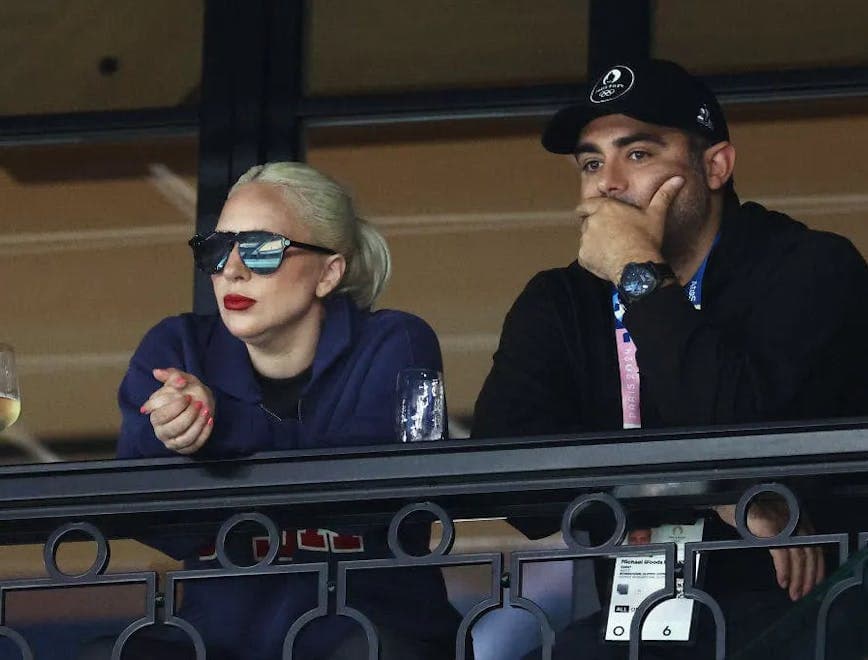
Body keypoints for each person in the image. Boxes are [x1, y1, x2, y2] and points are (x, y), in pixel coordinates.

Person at [472, 59, 868, 658]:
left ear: (715, 166)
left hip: (797, 615)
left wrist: (637, 274)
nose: (607, 182)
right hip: (632, 620)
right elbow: (511, 483)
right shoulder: (558, 300)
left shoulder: (812, 268)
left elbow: (742, 425)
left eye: (637, 155)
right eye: (590, 162)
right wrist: (720, 494)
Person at [112, 162, 463, 659]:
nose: (232, 268)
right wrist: (172, 432)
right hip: (217, 644)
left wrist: (220, 428)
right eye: (217, 248)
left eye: (260, 247)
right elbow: (158, 524)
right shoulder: (177, 347)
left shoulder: (397, 340)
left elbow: (383, 502)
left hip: (367, 636)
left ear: (328, 272)